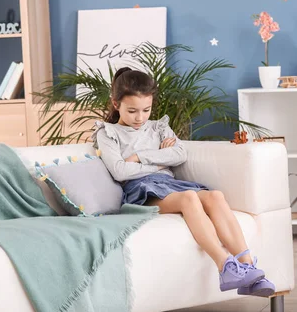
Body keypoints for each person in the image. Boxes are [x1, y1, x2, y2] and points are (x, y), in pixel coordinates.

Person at [92, 67, 275, 297]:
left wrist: (140, 156)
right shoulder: (108, 133)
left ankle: (248, 267)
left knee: (215, 196)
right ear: (116, 104)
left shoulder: (158, 127)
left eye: (146, 110)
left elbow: (179, 154)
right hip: (141, 192)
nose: (140, 118)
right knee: (189, 198)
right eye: (132, 111)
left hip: (169, 185)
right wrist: (160, 160)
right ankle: (225, 266)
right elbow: (120, 171)